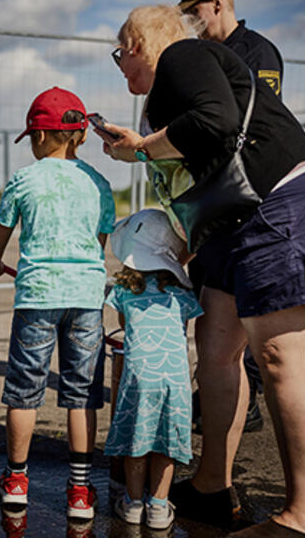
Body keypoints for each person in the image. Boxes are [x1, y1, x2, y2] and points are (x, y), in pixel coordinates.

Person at [94, 5, 305, 537]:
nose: (120, 67)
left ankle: (303, 517)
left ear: (138, 44)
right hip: (232, 224)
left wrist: (140, 150)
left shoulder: (184, 56)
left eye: (120, 54)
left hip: (278, 202)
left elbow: (216, 121)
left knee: (278, 357)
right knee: (215, 350)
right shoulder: (169, 94)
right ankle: (211, 486)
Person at [0, 86, 116, 521]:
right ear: (79, 136)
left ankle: (17, 481)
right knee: (81, 396)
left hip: (37, 298)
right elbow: (97, 245)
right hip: (85, 300)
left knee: (24, 392)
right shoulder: (99, 183)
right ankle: (80, 491)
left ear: (39, 137)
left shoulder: (24, 179)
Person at [180, 0, 286, 434]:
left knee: (248, 302)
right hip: (212, 194)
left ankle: (251, 396)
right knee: (208, 293)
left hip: (248, 193)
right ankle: (215, 391)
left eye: (195, 12)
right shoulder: (202, 55)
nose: (190, 21)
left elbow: (249, 123)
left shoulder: (257, 52)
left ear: (220, 4)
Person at [104, 209, 203, 531]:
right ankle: (159, 507)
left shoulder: (123, 291)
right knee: (165, 445)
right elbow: (183, 326)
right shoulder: (183, 293)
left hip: (137, 379)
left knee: (137, 443)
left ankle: (133, 504)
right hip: (174, 380)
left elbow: (123, 326)